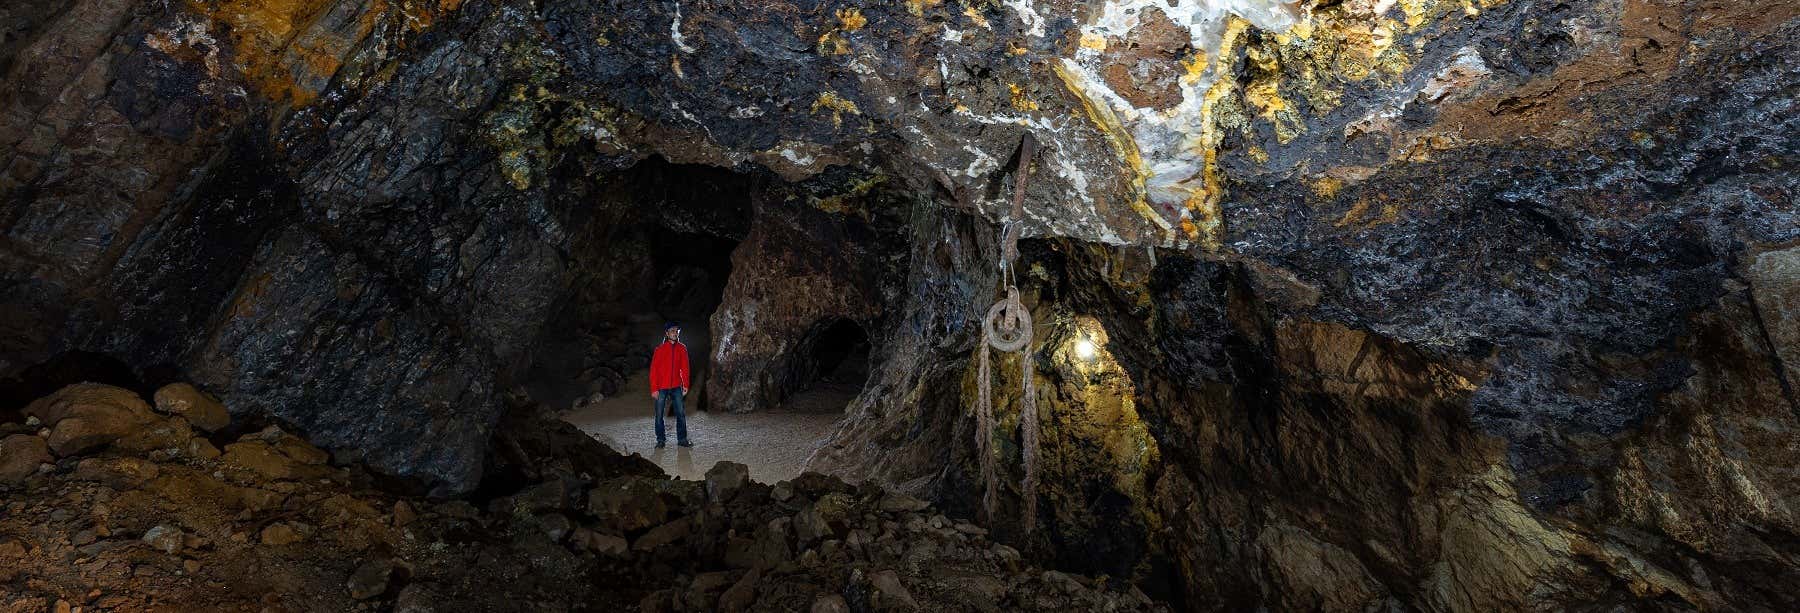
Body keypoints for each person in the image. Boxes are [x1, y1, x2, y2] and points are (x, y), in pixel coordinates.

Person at [648, 322, 692, 448]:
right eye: (672, 331)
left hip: (676, 386)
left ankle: (682, 439)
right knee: (659, 415)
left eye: (676, 331)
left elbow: (685, 368)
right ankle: (660, 440)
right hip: (662, 387)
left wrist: (685, 385)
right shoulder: (659, 350)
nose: (675, 333)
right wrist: (654, 389)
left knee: (680, 414)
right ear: (667, 333)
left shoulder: (682, 348)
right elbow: (654, 371)